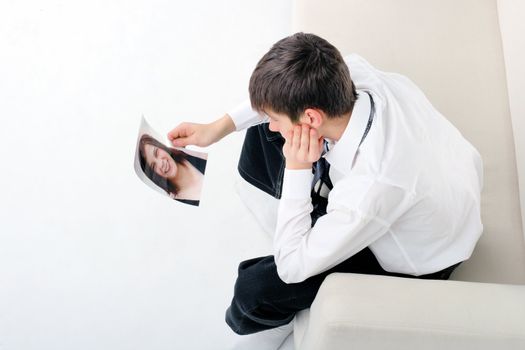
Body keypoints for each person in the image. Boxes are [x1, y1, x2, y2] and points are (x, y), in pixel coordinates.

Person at [167, 33, 483, 349]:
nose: (273, 124)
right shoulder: (351, 75)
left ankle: (297, 245)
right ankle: (300, 226)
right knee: (263, 132)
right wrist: (218, 127)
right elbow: (272, 109)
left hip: (421, 256)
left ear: (312, 118)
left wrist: (297, 167)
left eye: (277, 118)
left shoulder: (372, 187)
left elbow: (291, 268)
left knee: (253, 291)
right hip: (436, 188)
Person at [138, 134, 206, 206]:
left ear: (161, 146)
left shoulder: (191, 151)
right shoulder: (175, 205)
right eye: (153, 166)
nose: (161, 163)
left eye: (156, 153)